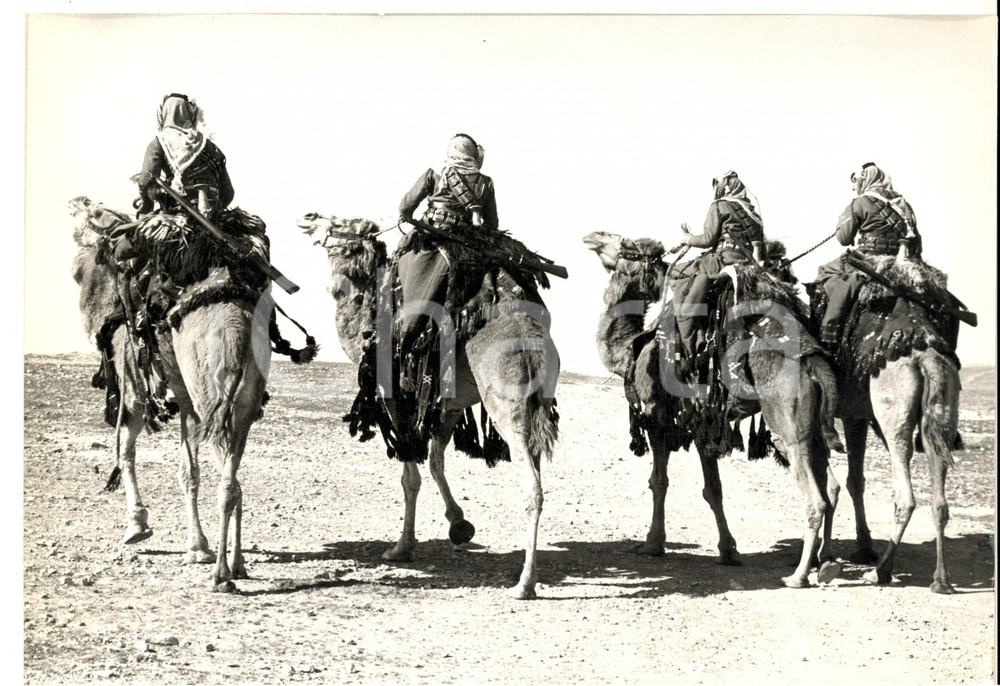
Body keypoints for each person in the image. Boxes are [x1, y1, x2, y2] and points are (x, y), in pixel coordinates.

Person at [396, 133, 499, 355]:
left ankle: (401, 338)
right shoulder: (486, 182)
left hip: (434, 235)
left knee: (399, 255)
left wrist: (409, 215)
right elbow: (492, 223)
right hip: (469, 243)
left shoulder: (434, 174)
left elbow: (405, 207)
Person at [813, 162, 921, 347]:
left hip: (869, 258)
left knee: (825, 271)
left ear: (865, 180)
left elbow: (844, 239)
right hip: (902, 259)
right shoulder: (903, 203)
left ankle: (828, 334)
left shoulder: (860, 202)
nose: (853, 186)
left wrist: (842, 221)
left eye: (855, 181)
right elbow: (916, 239)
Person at [669, 170, 764, 359]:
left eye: (717, 184)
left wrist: (688, 239)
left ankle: (693, 340)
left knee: (676, 273)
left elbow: (708, 239)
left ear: (724, 185)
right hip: (745, 262)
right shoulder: (750, 211)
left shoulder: (719, 205)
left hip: (722, 260)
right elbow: (758, 245)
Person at [134, 93, 235, 219]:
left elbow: (146, 180)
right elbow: (228, 193)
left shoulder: (160, 142)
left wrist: (146, 205)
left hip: (178, 212)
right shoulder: (209, 145)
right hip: (213, 214)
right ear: (189, 113)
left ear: (163, 115)